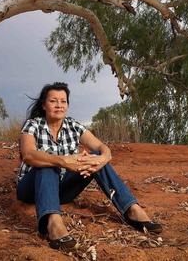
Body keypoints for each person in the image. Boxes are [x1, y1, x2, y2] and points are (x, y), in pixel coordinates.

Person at [16, 82, 162, 250]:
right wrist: (63, 160)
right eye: (53, 101)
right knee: (49, 162)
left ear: (68, 105)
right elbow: (28, 155)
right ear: (44, 105)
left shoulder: (73, 126)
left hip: (61, 191)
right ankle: (53, 224)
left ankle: (131, 209)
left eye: (63, 101)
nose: (59, 105)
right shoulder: (33, 124)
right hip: (31, 189)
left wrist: (103, 158)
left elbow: (102, 149)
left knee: (94, 157)